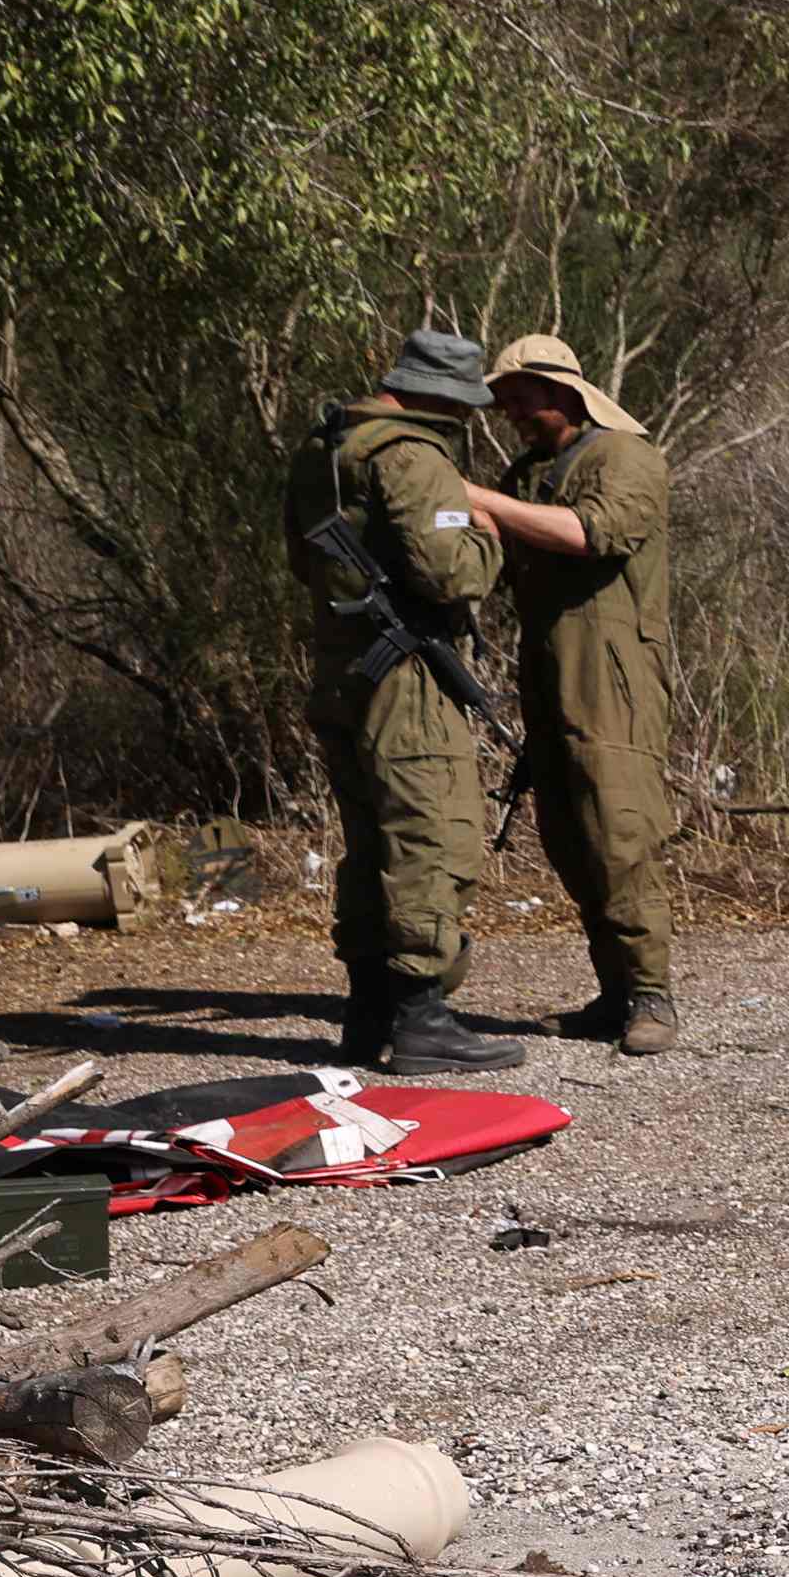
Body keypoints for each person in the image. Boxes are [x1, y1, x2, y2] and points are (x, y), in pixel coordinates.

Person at [279, 328, 519, 1076]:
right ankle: (422, 1018)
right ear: (438, 395)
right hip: (408, 680)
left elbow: (300, 562)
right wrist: (490, 538)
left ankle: (367, 1012)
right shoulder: (413, 455)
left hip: (342, 670)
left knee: (369, 842)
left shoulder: (323, 450)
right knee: (429, 835)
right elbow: (451, 575)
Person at [472, 333, 683, 1054]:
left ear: (559, 390)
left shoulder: (626, 456)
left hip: (612, 674)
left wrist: (481, 501)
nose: (508, 413)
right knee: (568, 835)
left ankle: (653, 996)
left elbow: (594, 532)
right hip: (549, 670)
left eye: (517, 397)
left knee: (619, 833)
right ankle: (615, 992)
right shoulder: (532, 470)